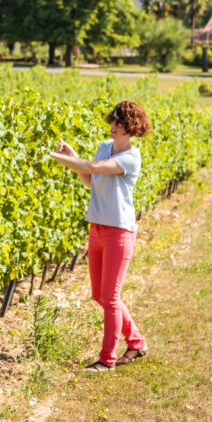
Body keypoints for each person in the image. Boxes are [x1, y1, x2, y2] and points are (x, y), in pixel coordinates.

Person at [49, 100, 152, 372]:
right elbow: (91, 180)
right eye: (112, 119)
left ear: (131, 127)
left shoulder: (131, 157)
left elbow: (94, 168)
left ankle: (107, 360)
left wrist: (58, 157)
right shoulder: (105, 147)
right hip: (97, 228)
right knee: (100, 295)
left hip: (119, 232)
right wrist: (72, 156)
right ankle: (137, 342)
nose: (113, 125)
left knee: (111, 297)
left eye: (119, 121)